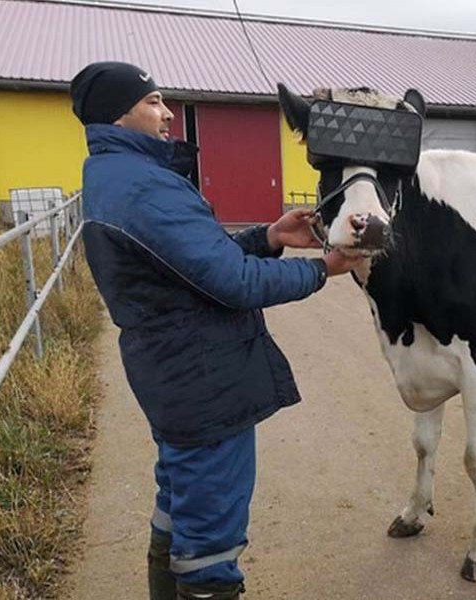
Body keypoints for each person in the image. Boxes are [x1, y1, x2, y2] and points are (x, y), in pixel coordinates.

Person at [70, 61, 362, 600]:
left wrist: (269, 236)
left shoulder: (121, 177)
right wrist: (323, 268)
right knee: (210, 545)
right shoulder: (144, 189)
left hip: (174, 373)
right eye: (153, 100)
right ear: (119, 113)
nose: (167, 112)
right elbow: (233, 282)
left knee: (179, 507)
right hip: (203, 382)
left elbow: (196, 264)